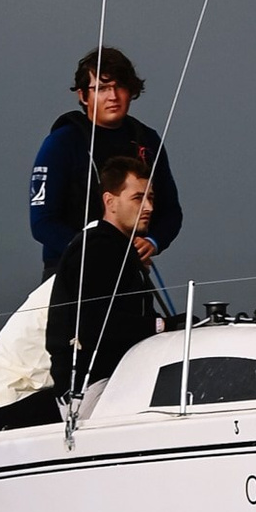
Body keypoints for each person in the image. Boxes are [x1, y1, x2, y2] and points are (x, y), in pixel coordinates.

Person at [29, 46, 182, 279]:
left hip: (130, 270)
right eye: (101, 88)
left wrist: (153, 241)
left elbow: (171, 210)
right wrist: (94, 252)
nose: (113, 96)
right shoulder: (61, 143)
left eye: (120, 86)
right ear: (83, 95)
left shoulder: (147, 140)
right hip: (68, 271)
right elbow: (42, 222)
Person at [44, 134, 169, 402]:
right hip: (93, 389)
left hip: (122, 379)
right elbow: (94, 324)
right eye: (138, 198)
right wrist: (163, 325)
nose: (149, 207)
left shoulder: (121, 251)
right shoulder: (97, 248)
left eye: (151, 198)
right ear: (110, 201)